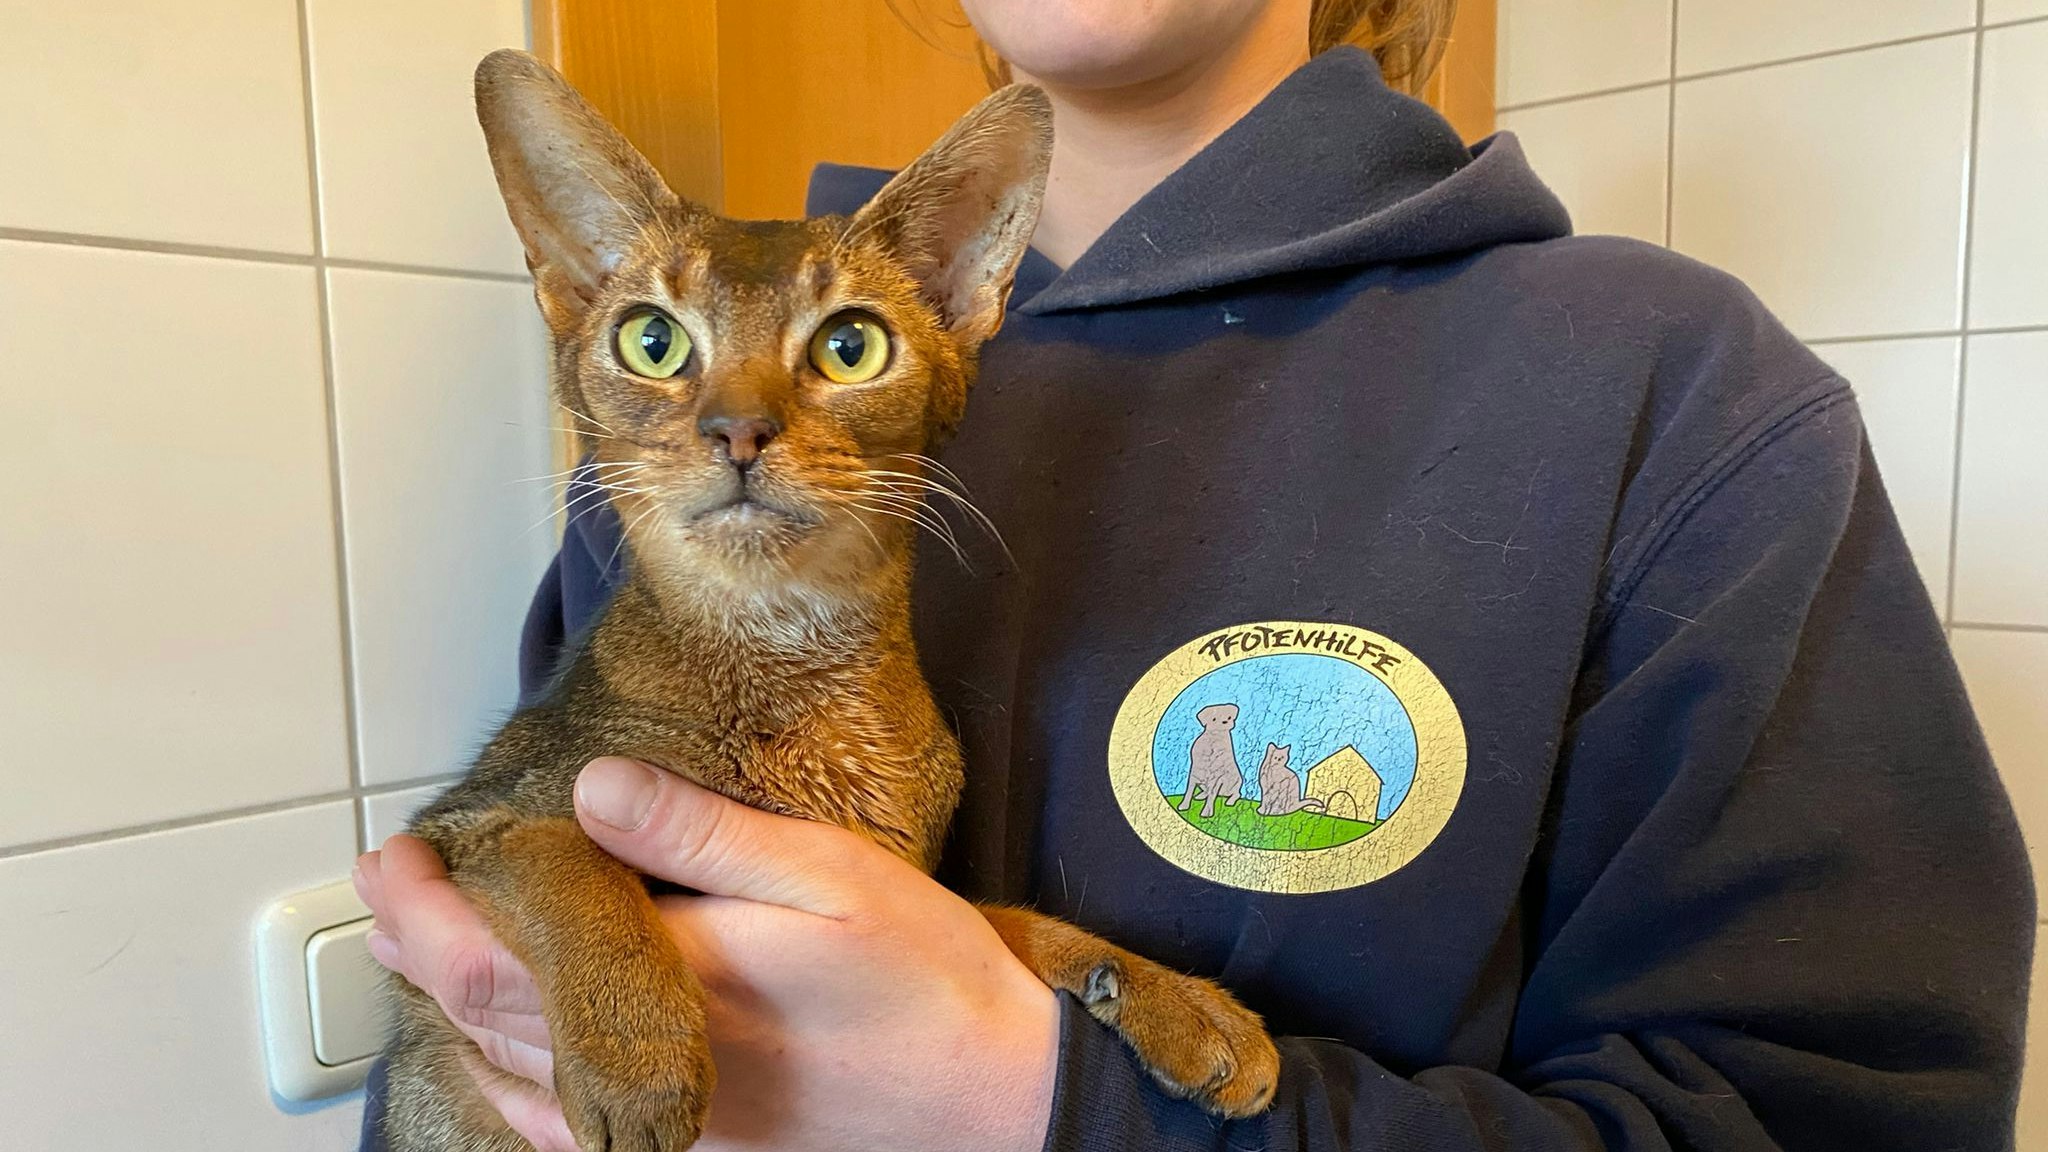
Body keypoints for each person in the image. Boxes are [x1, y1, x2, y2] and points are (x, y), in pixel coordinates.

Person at [354, 1, 2036, 1148]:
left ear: (958, 285)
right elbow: (529, 962)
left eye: (844, 349)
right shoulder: (686, 446)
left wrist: (1049, 1108)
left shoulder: (1667, 389)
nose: (739, 412)